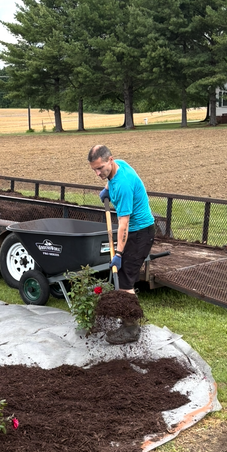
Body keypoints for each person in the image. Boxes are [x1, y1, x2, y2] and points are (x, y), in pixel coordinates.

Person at [88, 144, 155, 344]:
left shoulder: (123, 185)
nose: (98, 173)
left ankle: (131, 329)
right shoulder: (119, 165)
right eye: (94, 170)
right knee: (124, 277)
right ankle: (128, 322)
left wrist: (118, 253)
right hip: (136, 231)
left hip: (139, 233)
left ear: (110, 160)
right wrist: (106, 189)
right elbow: (111, 180)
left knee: (125, 281)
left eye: (100, 168)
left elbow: (123, 225)